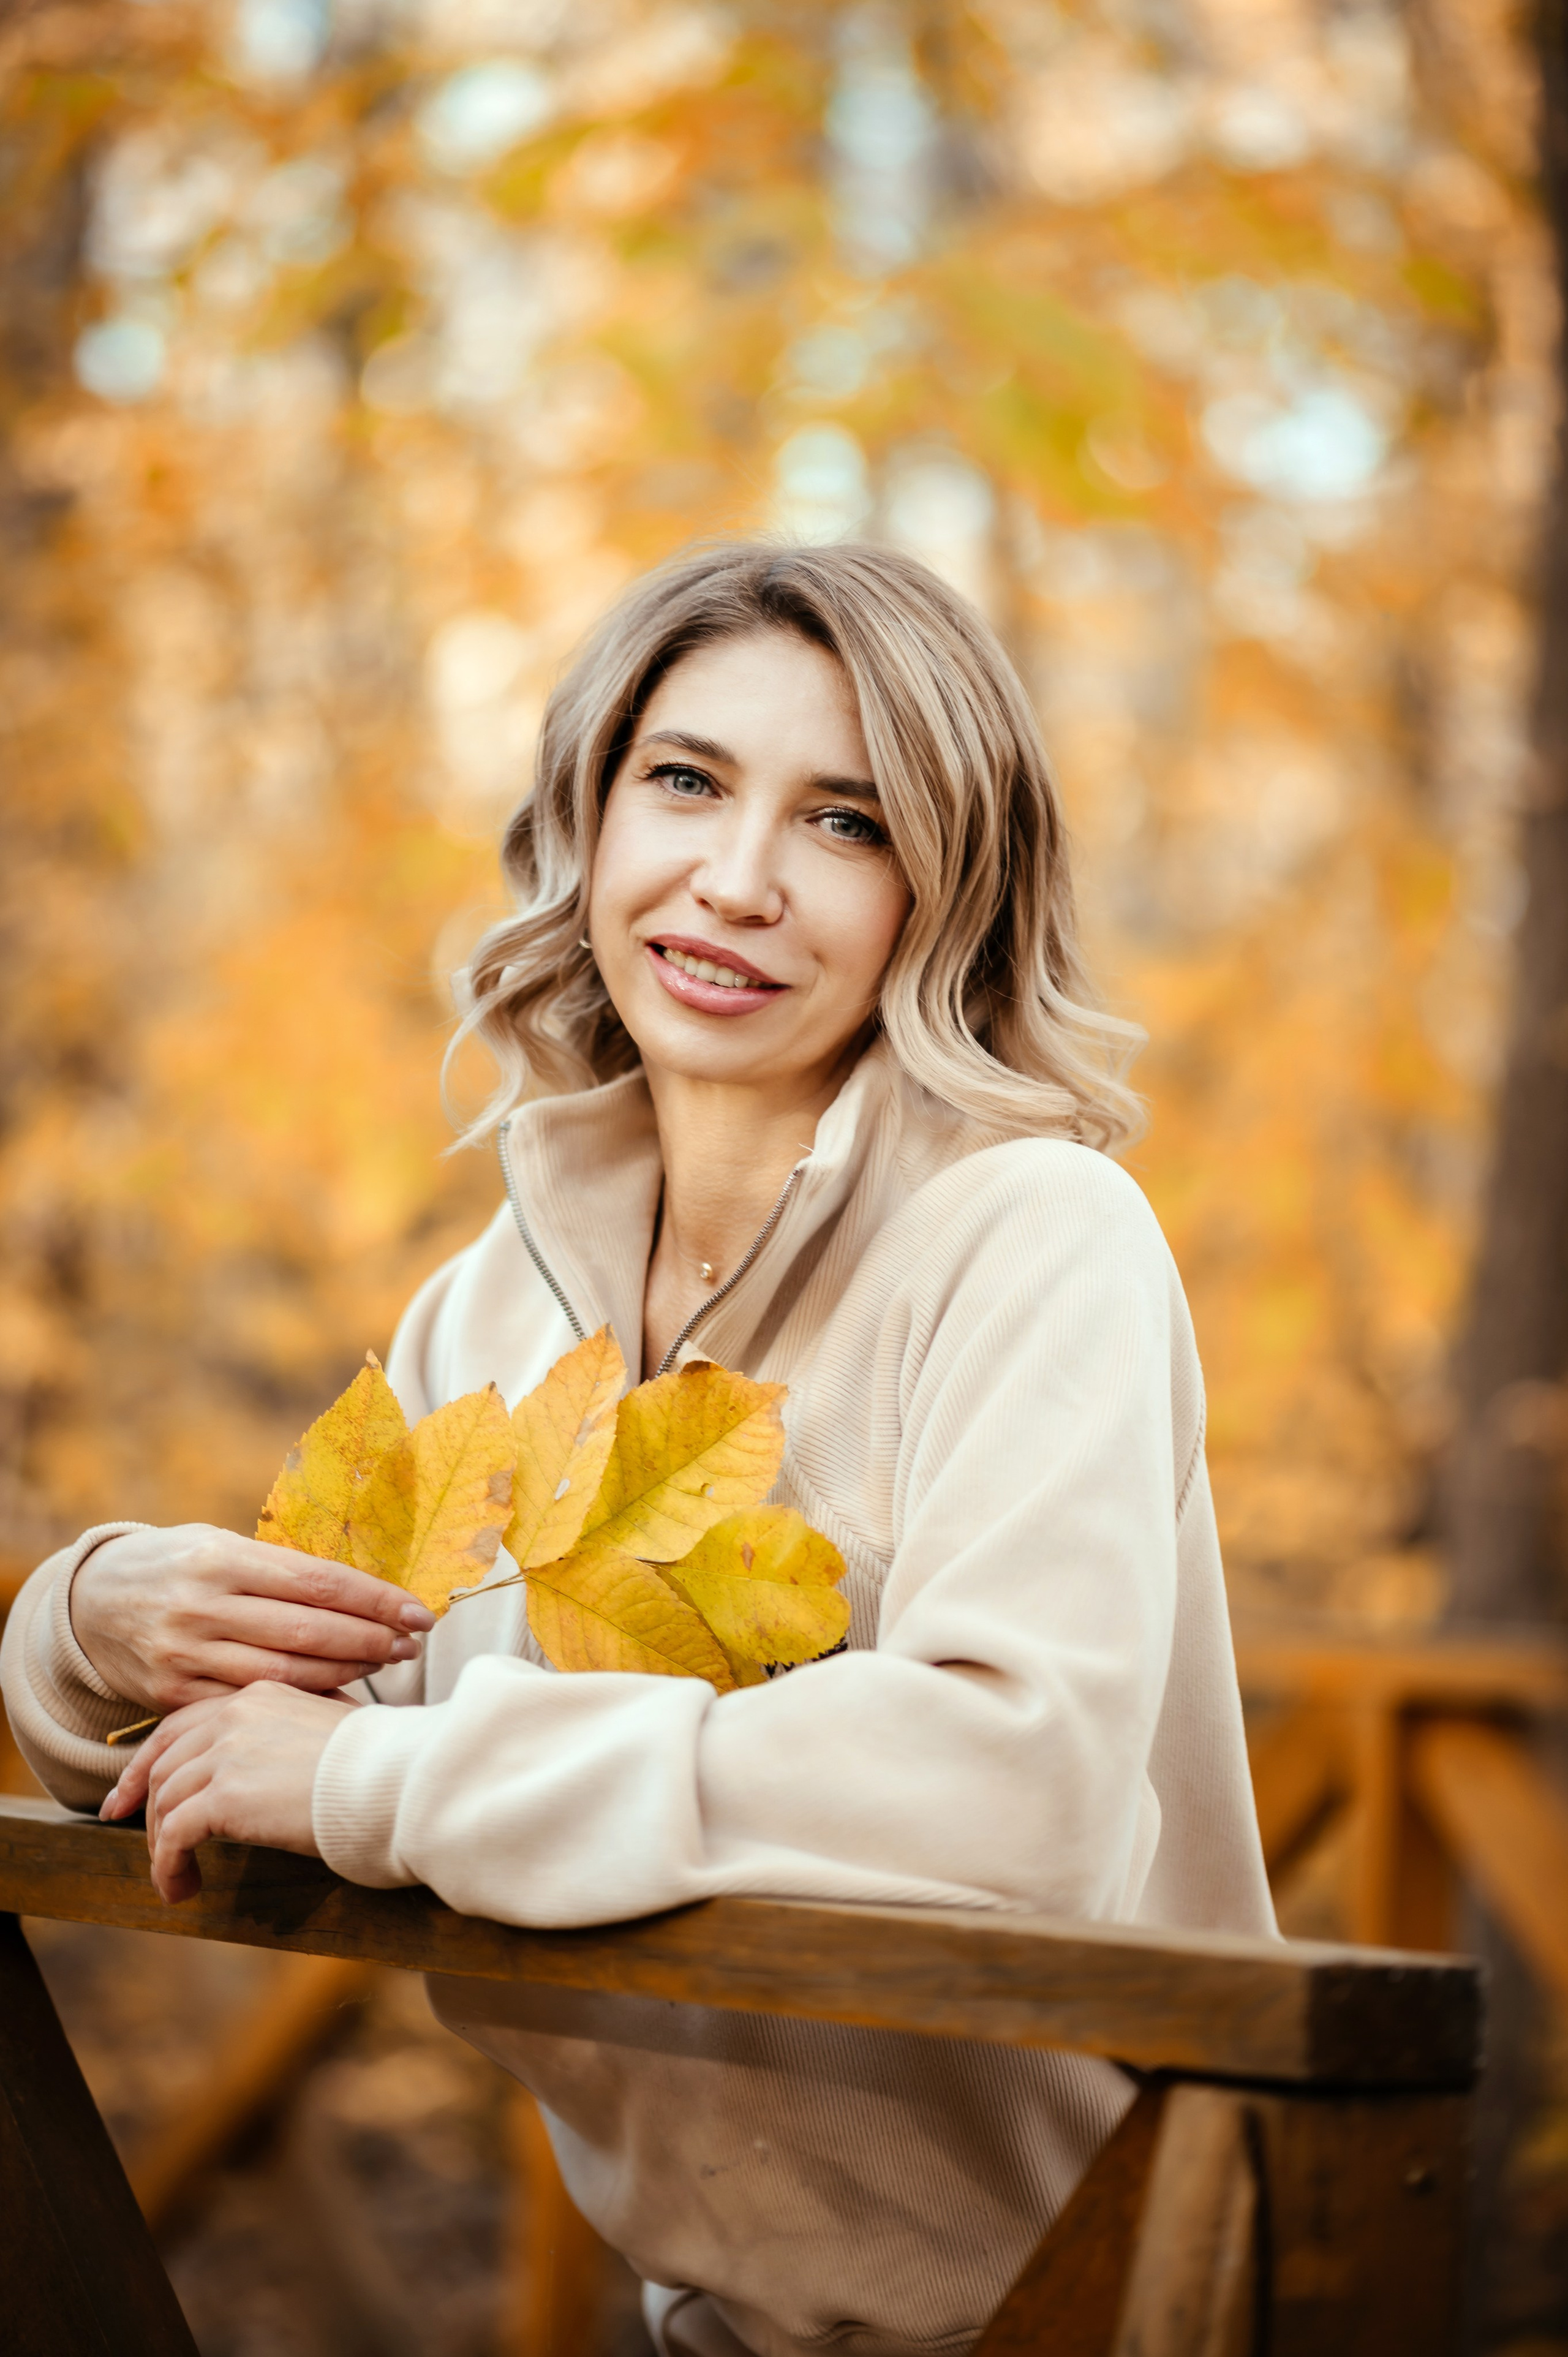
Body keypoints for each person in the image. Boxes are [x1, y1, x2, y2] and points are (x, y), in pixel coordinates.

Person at [1, 541, 1274, 2357]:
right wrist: (84, 1627)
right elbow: (284, 1747)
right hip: (709, 2325)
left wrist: (381, 1790)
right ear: (588, 817)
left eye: (847, 821)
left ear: (951, 889)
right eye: (684, 781)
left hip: (1126, 2306)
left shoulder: (1037, 1235)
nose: (737, 881)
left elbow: (1023, 1788)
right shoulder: (493, 1312)